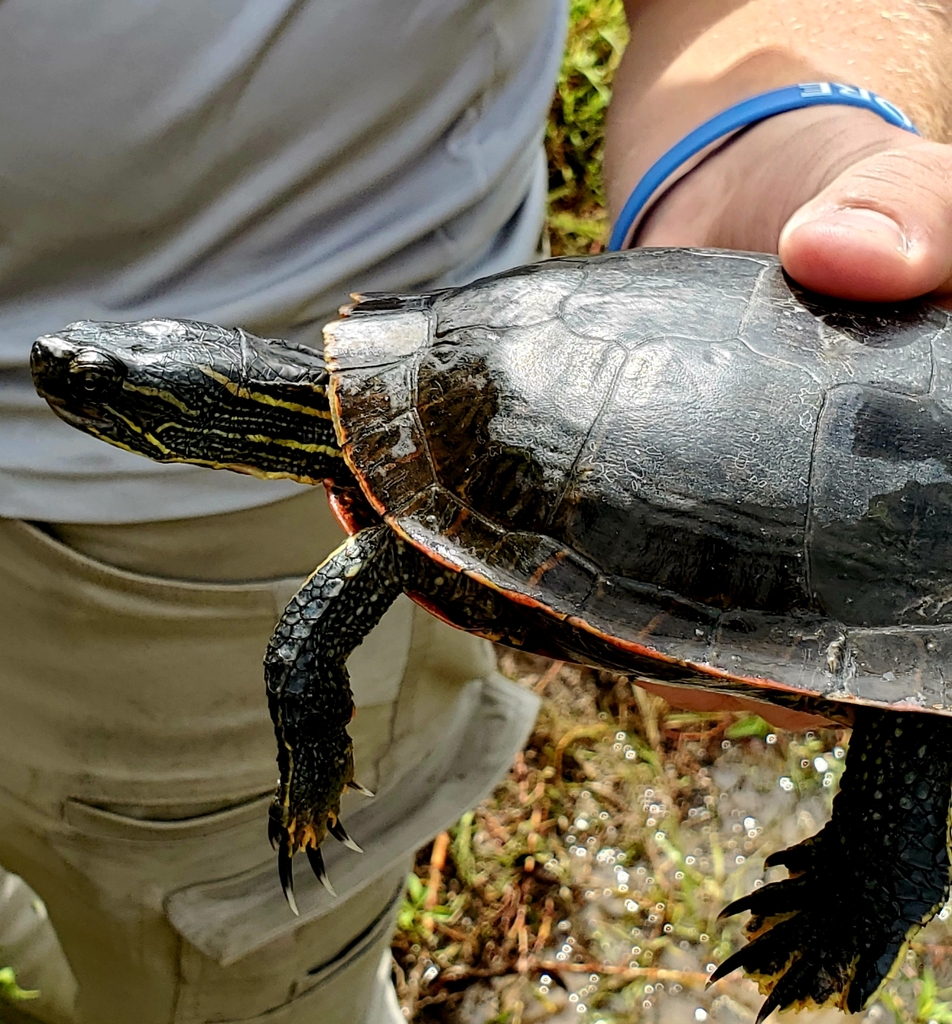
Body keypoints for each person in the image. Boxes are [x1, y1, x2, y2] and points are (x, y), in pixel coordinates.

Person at [1, 2, 951, 1023]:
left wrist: (784, 130)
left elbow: (302, 654)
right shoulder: (426, 392)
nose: (67, 371)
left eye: (110, 389)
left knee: (903, 702)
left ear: (190, 418)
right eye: (111, 387)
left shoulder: (400, 491)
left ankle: (879, 889)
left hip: (862, 474)